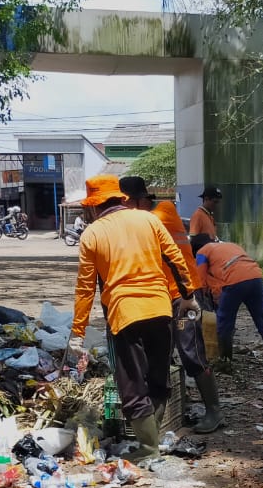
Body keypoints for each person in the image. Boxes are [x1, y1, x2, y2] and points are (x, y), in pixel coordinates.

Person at [70, 175, 200, 461]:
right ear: (122, 199)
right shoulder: (148, 220)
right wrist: (188, 295)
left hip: (124, 315)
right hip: (160, 309)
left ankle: (149, 448)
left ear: (94, 207)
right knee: (158, 377)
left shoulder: (92, 234)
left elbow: (85, 288)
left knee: (131, 385)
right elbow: (175, 258)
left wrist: (77, 332)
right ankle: (155, 439)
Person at [152, 200, 224, 432]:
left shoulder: (161, 214)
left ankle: (214, 411)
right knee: (167, 353)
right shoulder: (158, 216)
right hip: (170, 296)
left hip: (185, 299)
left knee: (191, 352)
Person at [191, 232, 263, 377]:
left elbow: (200, 281)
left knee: (225, 323)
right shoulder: (230, 245)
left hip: (234, 281)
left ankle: (226, 363)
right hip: (256, 276)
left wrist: (199, 301)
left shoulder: (202, 252)